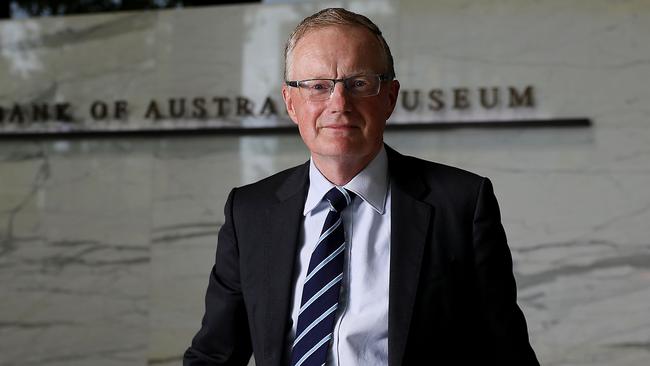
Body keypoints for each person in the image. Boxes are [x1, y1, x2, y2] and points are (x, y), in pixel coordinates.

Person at [184, 8, 539, 366]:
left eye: (359, 83)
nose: (339, 104)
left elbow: (506, 354)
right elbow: (214, 355)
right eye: (317, 86)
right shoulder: (249, 211)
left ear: (390, 97)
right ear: (291, 103)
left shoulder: (461, 205)